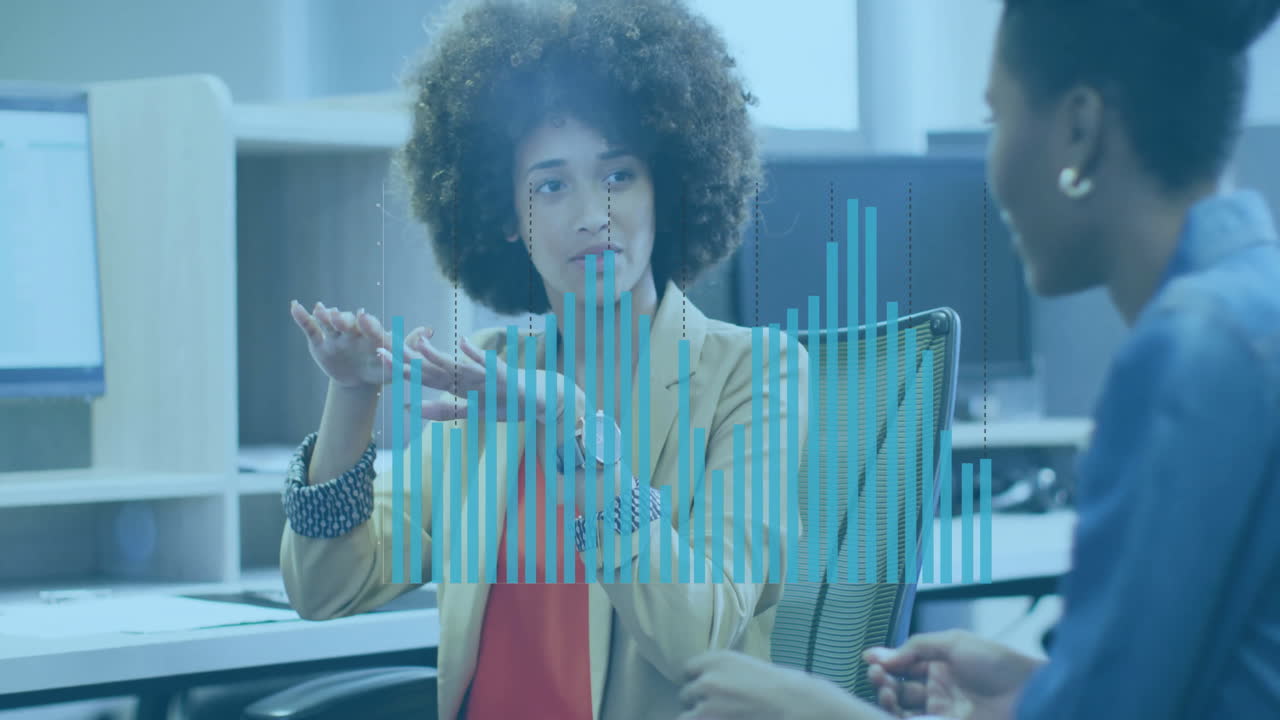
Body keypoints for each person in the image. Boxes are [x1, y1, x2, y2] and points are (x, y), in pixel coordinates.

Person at [677, 0, 1280, 718]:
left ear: (1080, 131)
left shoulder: (1189, 357)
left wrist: (820, 713)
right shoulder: (1252, 306)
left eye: (996, 122)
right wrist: (1038, 688)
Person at [281, 0, 808, 718]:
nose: (593, 213)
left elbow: (700, 641)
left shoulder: (753, 373)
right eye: (552, 186)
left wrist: (572, 430)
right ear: (505, 217)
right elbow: (326, 591)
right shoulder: (488, 372)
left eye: (619, 174)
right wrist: (351, 397)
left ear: (669, 183)